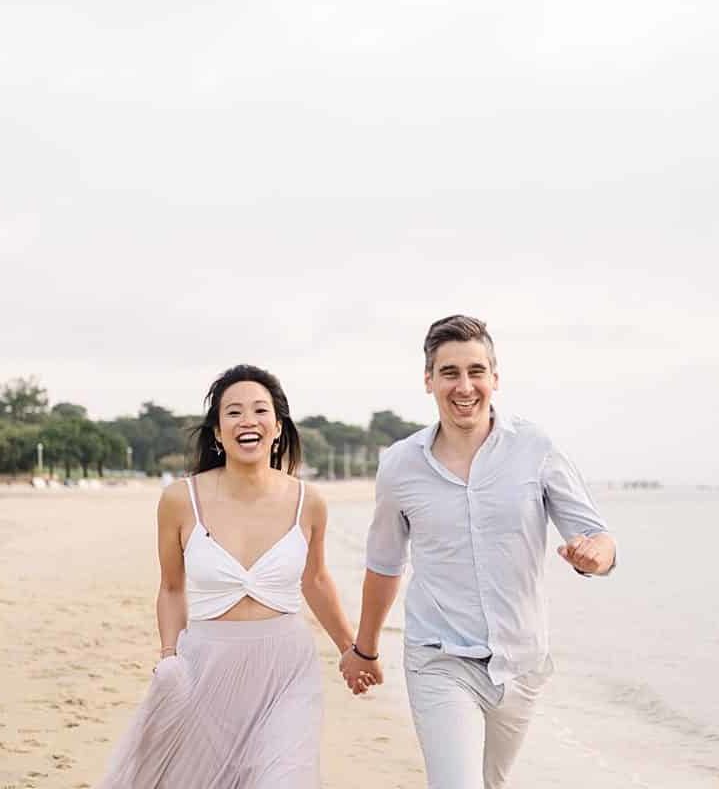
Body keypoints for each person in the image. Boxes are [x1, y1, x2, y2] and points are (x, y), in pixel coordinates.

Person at [340, 315, 617, 789]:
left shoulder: (535, 447)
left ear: (495, 378)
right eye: (449, 373)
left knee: (492, 783)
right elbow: (385, 564)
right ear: (428, 381)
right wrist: (364, 650)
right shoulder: (401, 465)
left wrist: (595, 557)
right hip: (439, 657)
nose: (464, 386)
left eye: (475, 371)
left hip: (521, 662)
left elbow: (599, 537)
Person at [98, 364, 369, 788]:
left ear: (277, 428)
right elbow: (171, 588)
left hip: (287, 671)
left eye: (260, 411)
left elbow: (315, 580)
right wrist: (169, 656)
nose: (248, 421)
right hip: (206, 666)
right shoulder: (179, 501)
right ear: (218, 433)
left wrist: (351, 650)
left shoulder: (309, 501)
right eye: (234, 412)